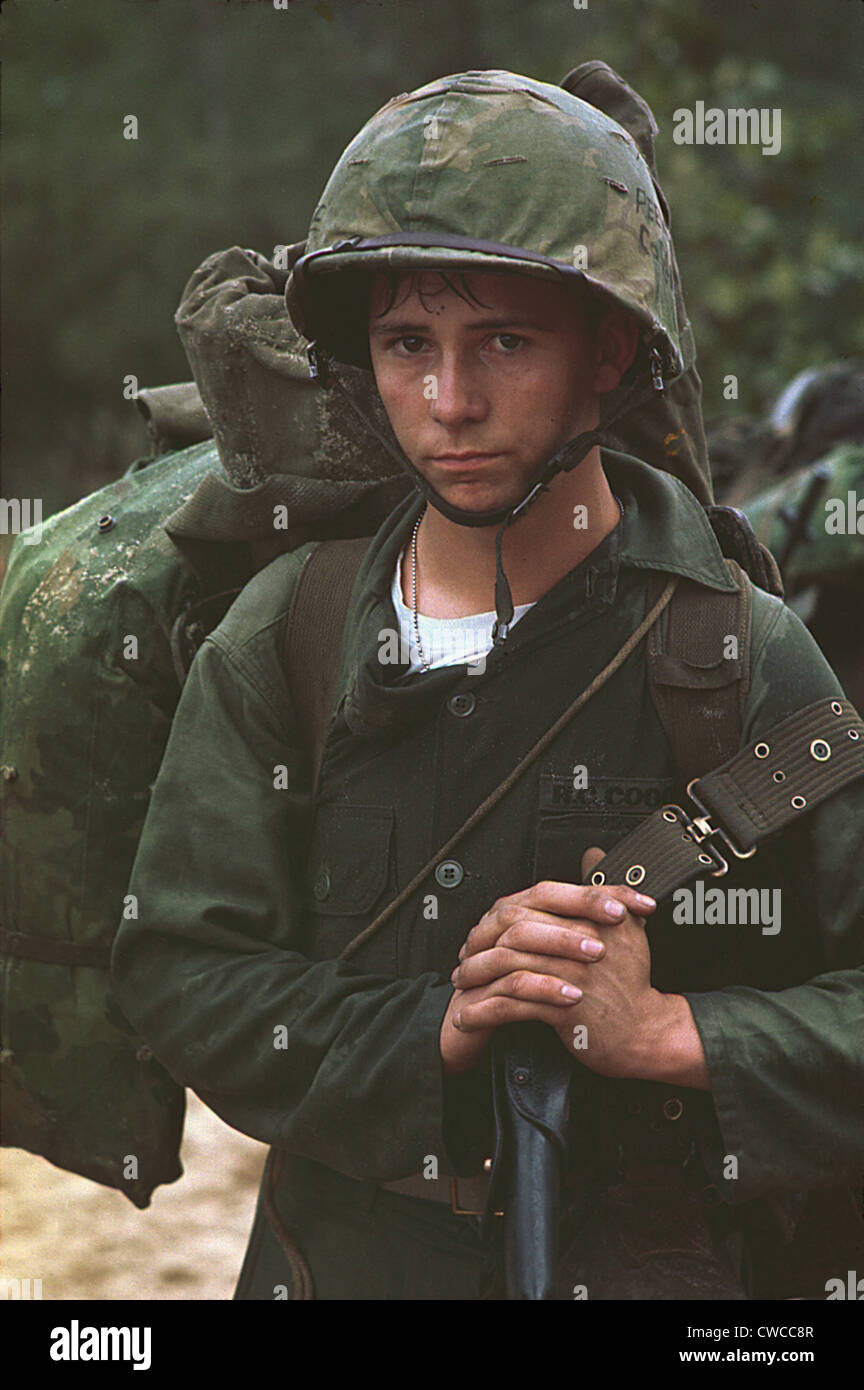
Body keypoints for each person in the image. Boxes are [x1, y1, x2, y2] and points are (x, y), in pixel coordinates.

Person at [110, 69, 864, 1301]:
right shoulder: (290, 631)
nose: (448, 404)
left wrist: (675, 1036)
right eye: (409, 345)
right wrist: (435, 1035)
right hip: (335, 1265)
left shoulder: (737, 649)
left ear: (609, 350)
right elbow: (182, 968)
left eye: (504, 342)